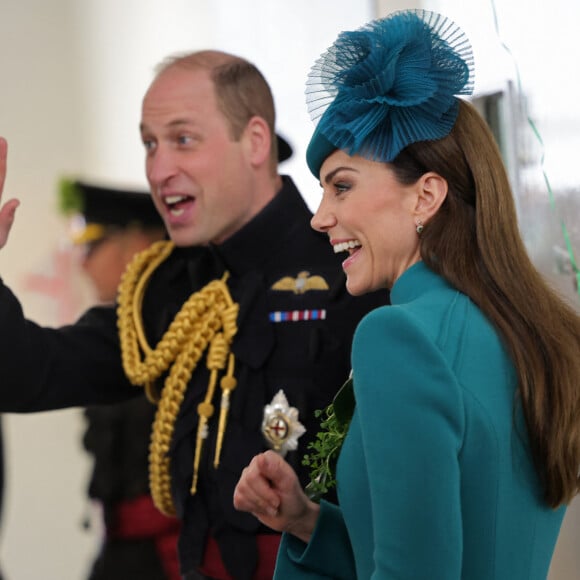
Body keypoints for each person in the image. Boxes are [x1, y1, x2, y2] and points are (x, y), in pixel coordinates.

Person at [0, 49, 387, 579]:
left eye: (183, 140)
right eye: (149, 145)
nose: (159, 169)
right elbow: (27, 376)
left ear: (254, 141)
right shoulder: (164, 286)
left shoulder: (349, 266)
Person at [233, 9, 580, 579]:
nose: (321, 218)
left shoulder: (399, 335)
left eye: (342, 186)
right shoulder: (520, 327)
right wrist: (304, 519)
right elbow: (436, 549)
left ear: (425, 197)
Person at [59, 178, 179, 580]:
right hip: (120, 553)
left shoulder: (182, 330)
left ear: (136, 245)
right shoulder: (112, 337)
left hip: (172, 558)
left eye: (94, 245)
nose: (83, 262)